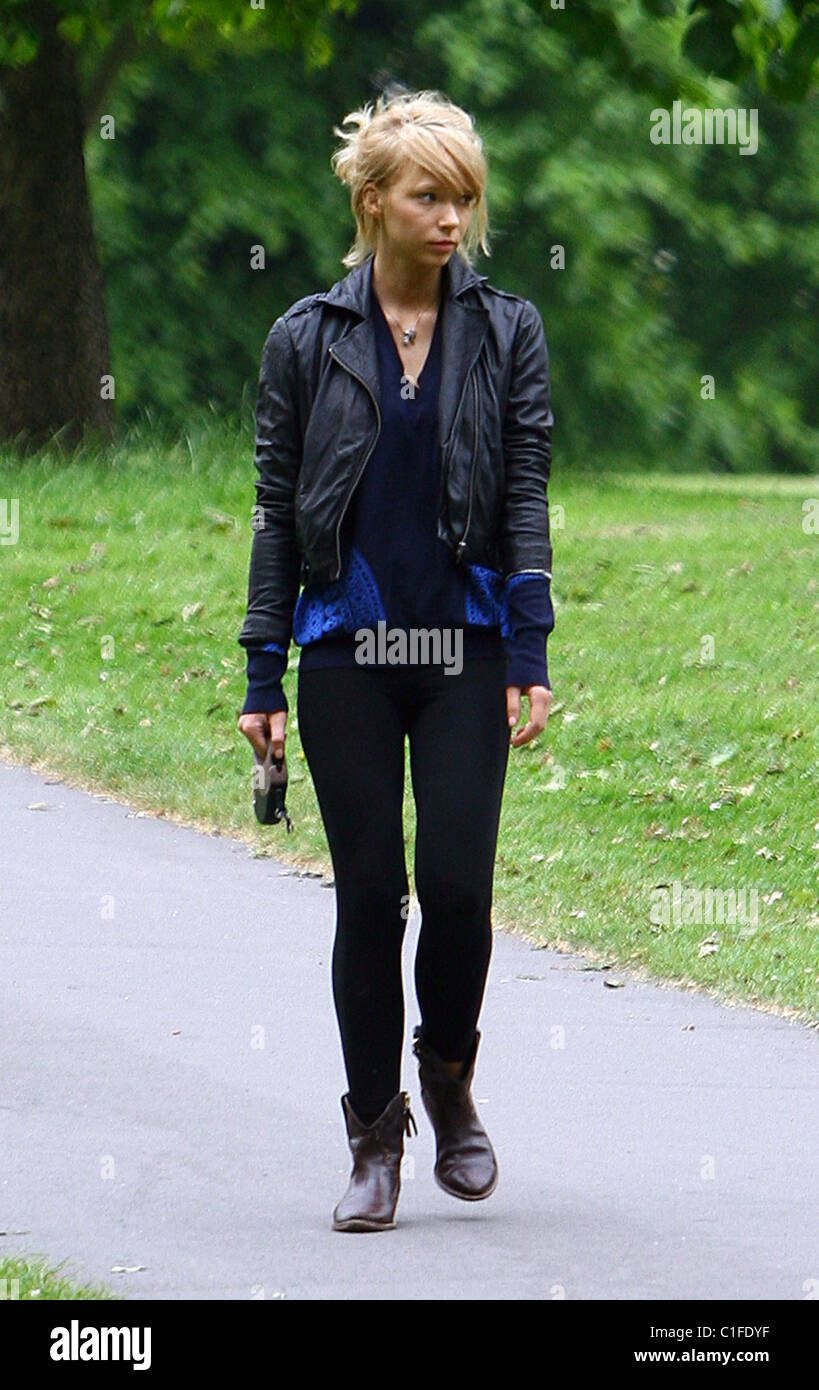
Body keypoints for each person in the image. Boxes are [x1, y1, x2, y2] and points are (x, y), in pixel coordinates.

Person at [237, 88, 555, 1232]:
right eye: (431, 195)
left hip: (464, 644)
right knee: (372, 895)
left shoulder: (507, 329)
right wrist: (262, 671)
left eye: (465, 198)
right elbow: (277, 509)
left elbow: (524, 494)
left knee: (460, 891)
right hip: (347, 649)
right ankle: (374, 1135)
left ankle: (450, 1081)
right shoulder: (305, 341)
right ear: (375, 202)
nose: (453, 219)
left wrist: (530, 649)